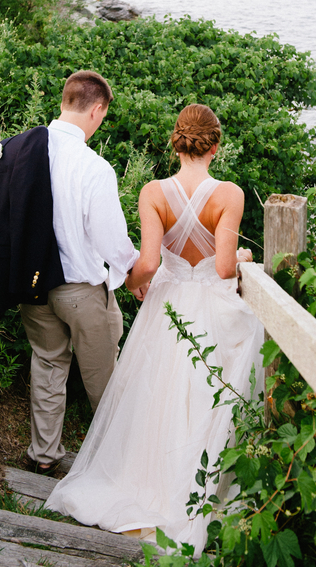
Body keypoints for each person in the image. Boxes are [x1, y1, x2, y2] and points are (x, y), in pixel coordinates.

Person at [45, 104, 263, 553]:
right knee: (203, 394)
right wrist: (243, 259)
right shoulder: (229, 194)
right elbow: (224, 267)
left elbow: (146, 263)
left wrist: (137, 284)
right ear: (215, 146)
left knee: (157, 395)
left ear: (174, 143)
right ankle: (196, 490)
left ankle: (141, 482)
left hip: (167, 305)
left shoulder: (153, 192)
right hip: (209, 306)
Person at [18, 71, 140, 474]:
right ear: (98, 109)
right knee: (103, 378)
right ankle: (118, 462)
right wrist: (135, 271)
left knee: (49, 365)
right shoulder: (94, 168)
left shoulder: (21, 149)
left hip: (32, 284)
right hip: (80, 289)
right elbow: (110, 241)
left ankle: (43, 456)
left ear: (64, 101)